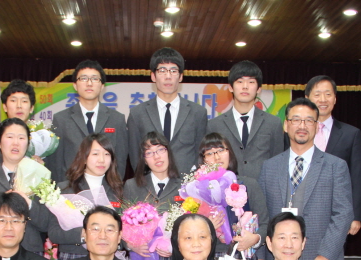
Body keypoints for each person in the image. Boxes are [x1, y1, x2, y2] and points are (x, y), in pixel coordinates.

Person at [259, 98, 353, 260]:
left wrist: (327, 255)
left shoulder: (335, 166)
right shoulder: (269, 167)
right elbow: (261, 216)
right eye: (296, 120)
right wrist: (261, 256)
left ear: (317, 126)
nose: (302, 125)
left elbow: (343, 214)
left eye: (309, 120)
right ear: (286, 125)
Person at [0, 118, 53, 255]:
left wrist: (29, 204)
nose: (16, 143)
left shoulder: (41, 179)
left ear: (28, 143)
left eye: (21, 138)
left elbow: (47, 224)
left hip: (30, 254)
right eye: (9, 137)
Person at [128, 47, 208, 175]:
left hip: (187, 188)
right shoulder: (137, 114)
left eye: (173, 71)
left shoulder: (198, 113)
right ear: (153, 76)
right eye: (162, 70)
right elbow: (135, 156)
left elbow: (201, 154)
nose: (168, 76)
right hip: (151, 188)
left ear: (181, 76)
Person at [46, 60, 129, 181]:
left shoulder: (117, 119)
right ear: (75, 85)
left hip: (106, 190)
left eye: (95, 79)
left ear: (102, 86)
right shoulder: (61, 119)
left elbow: (120, 160)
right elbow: (56, 163)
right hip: (71, 190)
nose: (89, 83)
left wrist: (115, 189)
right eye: (84, 78)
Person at [305, 75, 361, 236]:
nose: (322, 99)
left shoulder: (351, 134)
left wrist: (356, 215)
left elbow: (357, 176)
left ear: (335, 99)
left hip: (336, 212)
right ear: (307, 99)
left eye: (328, 94)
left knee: (332, 258)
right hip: (301, 208)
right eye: (317, 94)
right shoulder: (295, 132)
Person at [48, 134, 124, 260]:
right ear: (83, 157)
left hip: (109, 259)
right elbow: (54, 233)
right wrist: (86, 235)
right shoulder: (65, 189)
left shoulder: (119, 190)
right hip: (74, 257)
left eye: (106, 154)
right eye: (95, 154)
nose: (101, 160)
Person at [206, 61, 286, 180]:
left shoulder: (273, 123)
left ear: (259, 88)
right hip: (226, 192)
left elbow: (278, 163)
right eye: (240, 81)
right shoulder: (214, 125)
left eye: (251, 82)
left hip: (262, 193)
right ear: (230, 87)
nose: (245, 86)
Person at [197, 132, 268, 259]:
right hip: (207, 256)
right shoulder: (197, 190)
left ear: (229, 152)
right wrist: (204, 229)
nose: (217, 157)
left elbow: (265, 223)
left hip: (242, 255)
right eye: (209, 153)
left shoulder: (249, 185)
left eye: (221, 150)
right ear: (203, 160)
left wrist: (255, 238)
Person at [122, 131, 179, 260]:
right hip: (142, 258)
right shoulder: (132, 185)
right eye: (149, 153)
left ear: (168, 152)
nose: (157, 156)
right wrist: (130, 245)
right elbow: (121, 222)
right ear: (144, 159)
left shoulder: (185, 186)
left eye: (160, 149)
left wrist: (175, 247)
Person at [0, 79, 38, 171]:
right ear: (4, 107)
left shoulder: (41, 140)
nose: (19, 106)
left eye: (24, 101)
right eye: (13, 100)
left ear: (31, 108)